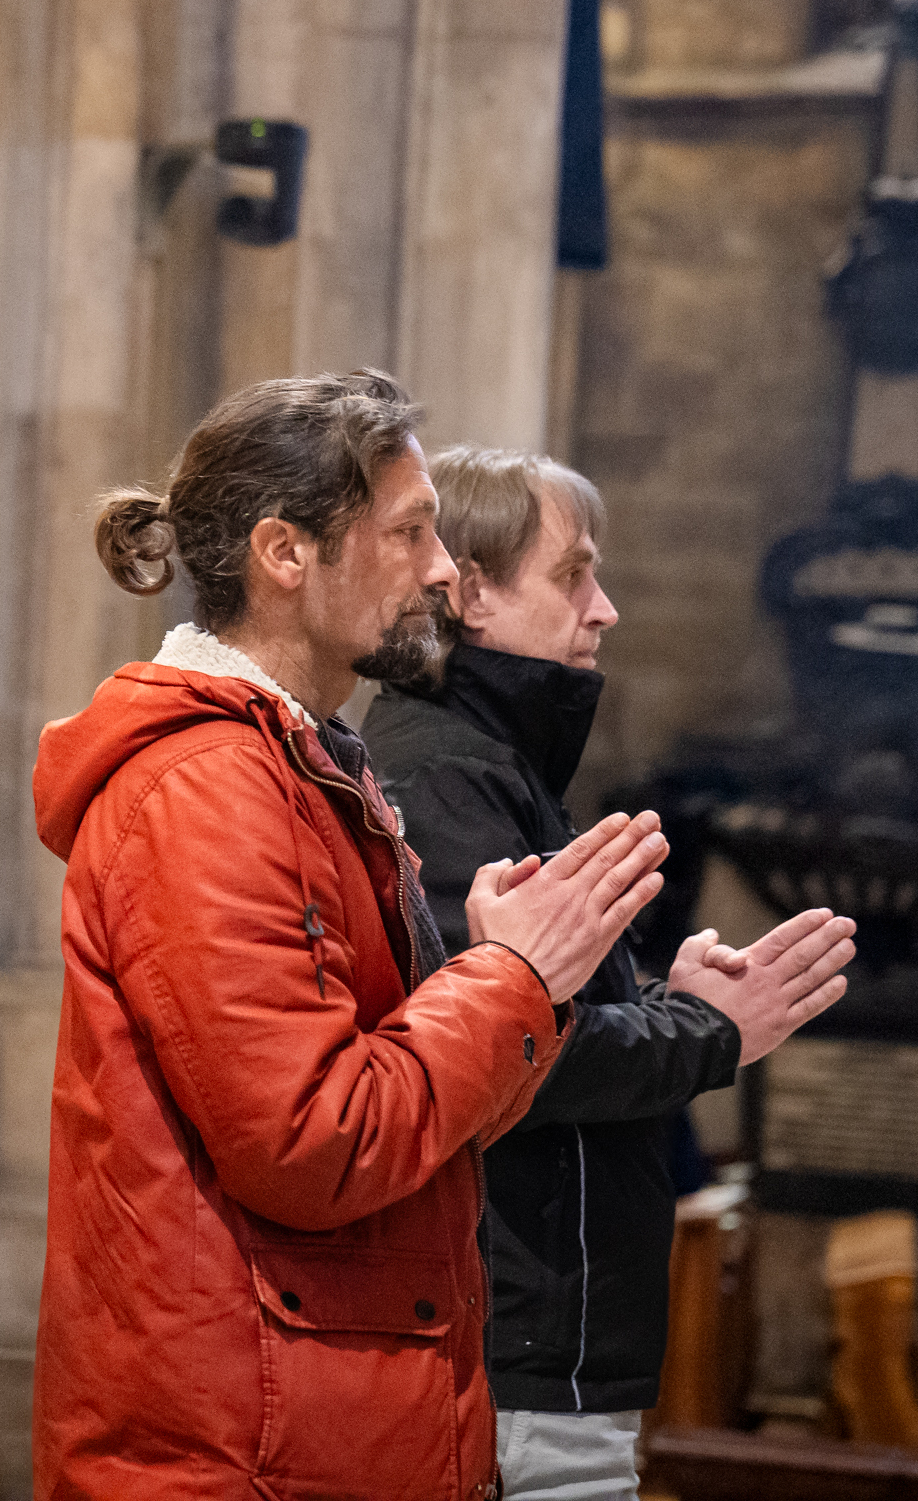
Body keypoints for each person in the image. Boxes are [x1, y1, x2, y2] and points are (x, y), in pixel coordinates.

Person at [33, 370, 677, 1500]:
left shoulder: (302, 762)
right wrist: (513, 978)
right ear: (286, 553)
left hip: (318, 1421)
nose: (441, 569)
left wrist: (510, 979)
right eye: (410, 532)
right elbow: (314, 1141)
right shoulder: (207, 790)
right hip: (240, 1448)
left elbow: (415, 1107)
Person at [360, 446, 857, 1499]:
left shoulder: (492, 766)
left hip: (539, 1331)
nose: (606, 609)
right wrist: (709, 1028)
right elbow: (517, 1055)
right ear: (474, 593)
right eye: (573, 573)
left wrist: (672, 1000)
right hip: (516, 1335)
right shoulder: (448, 776)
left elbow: (538, 1014)